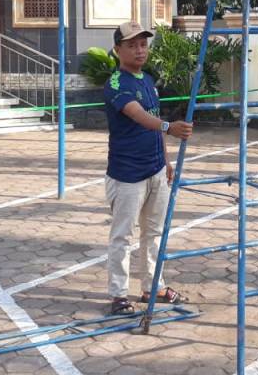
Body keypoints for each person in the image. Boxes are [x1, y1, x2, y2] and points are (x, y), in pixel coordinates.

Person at [104, 21, 193, 316]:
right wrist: (169, 126)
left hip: (155, 170)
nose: (140, 50)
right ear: (118, 50)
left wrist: (165, 161)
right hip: (127, 174)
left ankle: (153, 286)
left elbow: (152, 122)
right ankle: (118, 295)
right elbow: (139, 115)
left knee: (154, 233)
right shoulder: (117, 83)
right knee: (122, 236)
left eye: (143, 44)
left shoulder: (148, 80)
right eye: (132, 45)